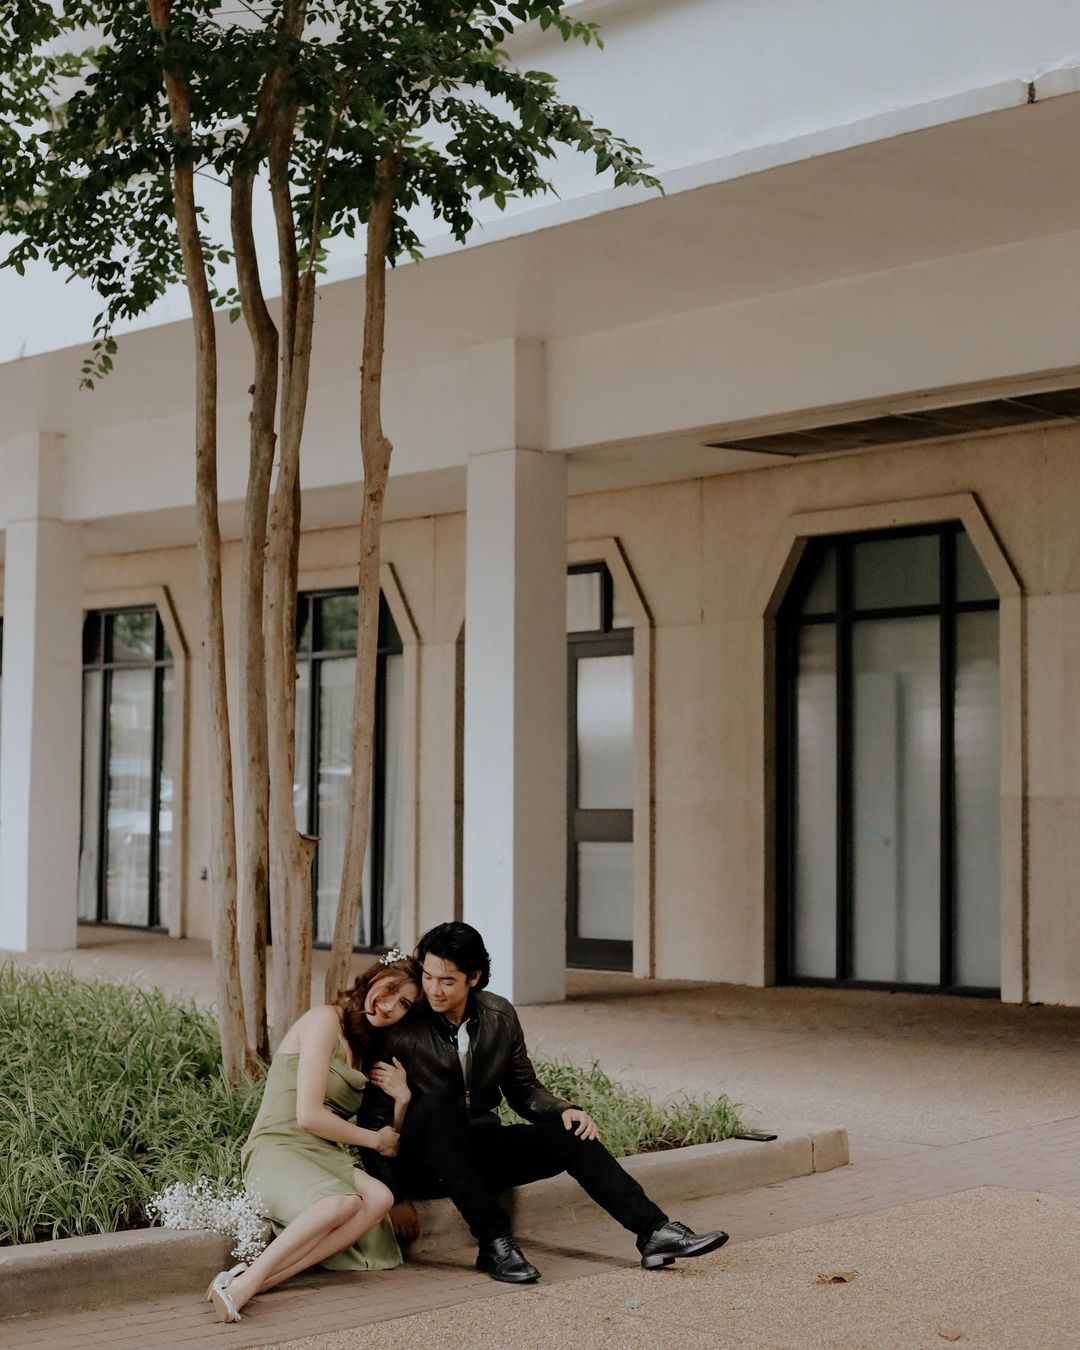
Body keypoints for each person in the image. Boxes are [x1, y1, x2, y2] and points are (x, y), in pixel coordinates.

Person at [359, 922, 728, 1284]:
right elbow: (374, 1119)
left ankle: (653, 1231)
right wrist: (396, 1195)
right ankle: (494, 1243)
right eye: (428, 977)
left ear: (474, 977)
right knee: (441, 1102)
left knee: (572, 1134)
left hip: (476, 1150)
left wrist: (564, 1110)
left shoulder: (499, 1016)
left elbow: (523, 1088)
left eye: (447, 980)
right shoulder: (404, 1028)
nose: (433, 990)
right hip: (424, 1161)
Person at [205, 951, 421, 1323]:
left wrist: (402, 1100)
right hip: (278, 1146)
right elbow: (308, 1116)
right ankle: (245, 1283)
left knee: (381, 1198)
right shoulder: (324, 1020)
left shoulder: (366, 1049)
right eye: (389, 990)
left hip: (322, 1153)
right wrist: (373, 1140)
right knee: (342, 1203)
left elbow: (389, 1137)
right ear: (372, 978)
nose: (390, 1006)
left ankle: (260, 1280)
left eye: (404, 1004)